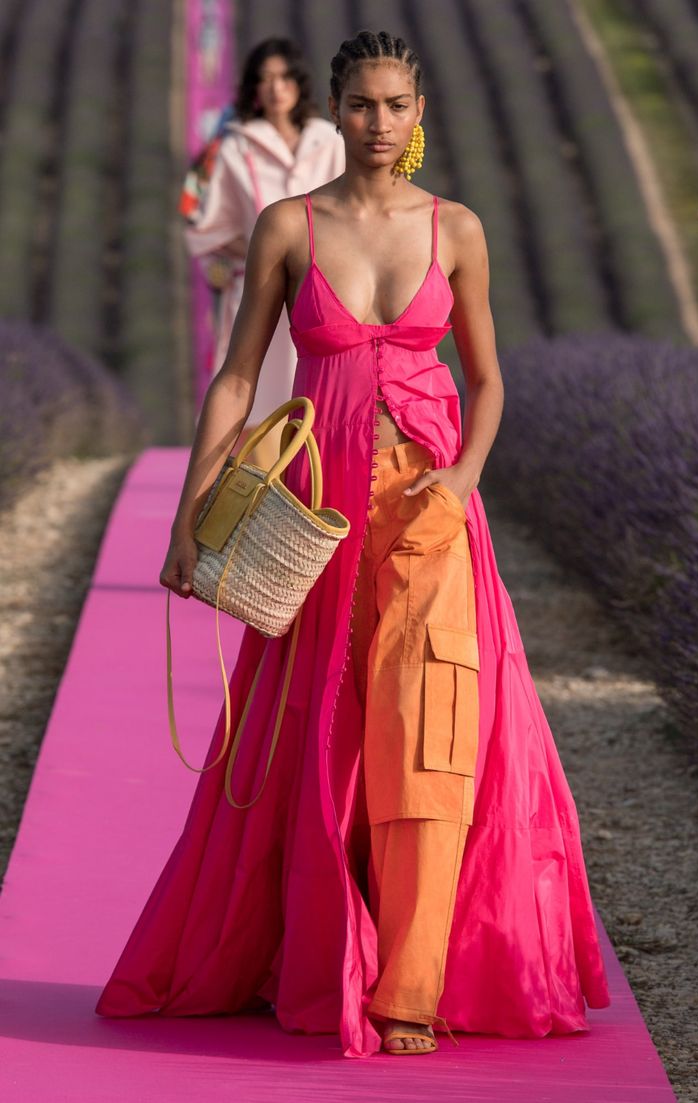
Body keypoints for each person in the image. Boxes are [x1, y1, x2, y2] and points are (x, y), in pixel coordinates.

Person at [95, 29, 611, 1058]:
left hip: (427, 516)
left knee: (426, 742)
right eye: (363, 105)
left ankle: (409, 986)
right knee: (320, 740)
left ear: (421, 112)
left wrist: (464, 477)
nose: (380, 122)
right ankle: (321, 956)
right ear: (338, 111)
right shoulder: (290, 227)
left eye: (396, 105)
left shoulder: (456, 228)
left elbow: (490, 378)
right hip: (316, 513)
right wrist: (193, 520)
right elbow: (238, 379)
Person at [185, 37, 345, 468]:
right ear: (253, 88)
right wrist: (266, 252)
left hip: (323, 292)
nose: (276, 88)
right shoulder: (235, 147)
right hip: (257, 292)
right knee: (252, 397)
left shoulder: (328, 140)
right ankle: (256, 510)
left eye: (285, 77)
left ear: (300, 83)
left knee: (320, 400)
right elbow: (208, 228)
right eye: (265, 79)